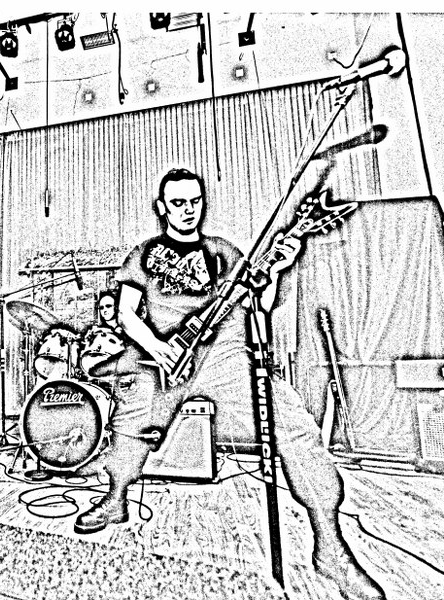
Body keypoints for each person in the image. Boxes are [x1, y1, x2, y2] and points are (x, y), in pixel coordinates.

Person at [75, 168, 385, 600]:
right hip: (163, 357)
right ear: (162, 207)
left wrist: (278, 265)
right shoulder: (144, 253)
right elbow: (126, 314)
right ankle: (115, 499)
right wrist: (157, 347)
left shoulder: (223, 251)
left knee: (295, 427)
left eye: (195, 201)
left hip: (226, 359)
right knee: (131, 423)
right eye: (178, 203)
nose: (188, 210)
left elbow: (261, 300)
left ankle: (330, 549)